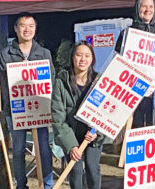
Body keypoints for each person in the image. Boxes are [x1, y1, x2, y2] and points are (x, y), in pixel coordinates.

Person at [0, 12, 55, 189]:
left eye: (31, 25)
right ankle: (21, 185)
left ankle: (47, 184)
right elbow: (3, 85)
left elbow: (50, 81)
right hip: (16, 111)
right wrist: (11, 110)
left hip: (40, 109)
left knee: (44, 149)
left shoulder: (44, 53)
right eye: (23, 25)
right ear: (16, 28)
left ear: (35, 28)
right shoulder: (5, 54)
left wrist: (48, 106)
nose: (27, 29)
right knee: (17, 150)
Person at [51, 40, 107, 189]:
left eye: (87, 56)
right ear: (72, 57)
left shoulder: (100, 81)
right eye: (79, 55)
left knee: (92, 169)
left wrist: (97, 132)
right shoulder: (61, 83)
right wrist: (71, 146)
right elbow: (58, 118)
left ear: (92, 59)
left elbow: (107, 113)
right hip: (71, 134)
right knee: (75, 170)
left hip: (92, 135)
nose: (83, 59)